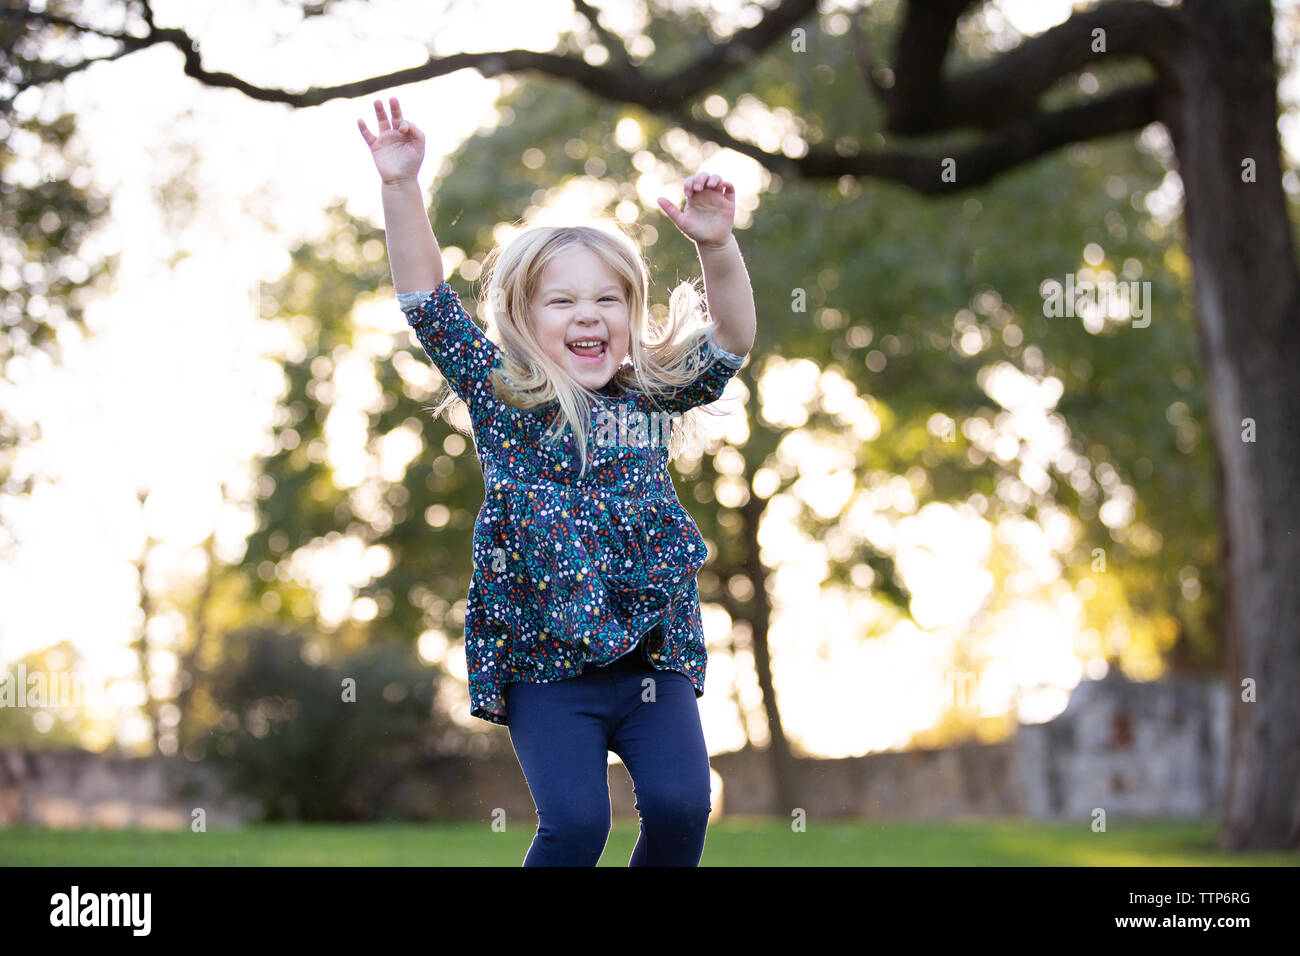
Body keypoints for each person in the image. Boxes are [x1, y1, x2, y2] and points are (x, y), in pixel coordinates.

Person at [358, 96, 756, 865]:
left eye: (608, 298)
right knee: (577, 827)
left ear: (631, 311)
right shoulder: (500, 393)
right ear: (522, 315)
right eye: (564, 300)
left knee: (681, 807)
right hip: (545, 664)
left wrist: (718, 246)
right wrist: (401, 186)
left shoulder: (650, 393)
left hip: (651, 655)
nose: (589, 314)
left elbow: (734, 339)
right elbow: (424, 300)